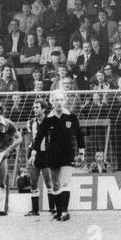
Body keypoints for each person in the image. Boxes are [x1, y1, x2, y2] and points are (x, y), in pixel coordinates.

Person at [28, 90, 85, 222]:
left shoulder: (71, 117)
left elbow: (79, 135)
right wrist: (34, 152)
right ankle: (59, 212)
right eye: (56, 100)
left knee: (65, 181)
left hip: (67, 153)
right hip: (52, 153)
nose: (59, 102)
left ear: (65, 101)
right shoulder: (48, 119)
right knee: (55, 184)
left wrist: (81, 151)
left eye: (61, 100)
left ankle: (64, 212)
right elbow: (39, 137)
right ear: (52, 102)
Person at [25, 100, 55, 216]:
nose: (35, 109)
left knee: (49, 181)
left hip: (47, 154)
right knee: (33, 182)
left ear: (43, 109)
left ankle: (52, 208)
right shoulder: (31, 122)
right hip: (35, 154)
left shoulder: (50, 122)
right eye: (34, 107)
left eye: (37, 107)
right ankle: (35, 210)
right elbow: (31, 139)